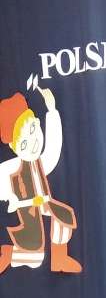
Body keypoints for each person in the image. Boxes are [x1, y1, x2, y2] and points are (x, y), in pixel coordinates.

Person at [0, 88, 82, 274]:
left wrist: (52, 110)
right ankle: (9, 254)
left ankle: (59, 257)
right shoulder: (11, 169)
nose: (32, 141)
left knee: (63, 217)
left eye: (32, 130)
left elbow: (52, 149)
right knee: (35, 257)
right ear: (13, 147)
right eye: (24, 143)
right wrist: (14, 200)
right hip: (28, 210)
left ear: (37, 123)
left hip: (43, 202)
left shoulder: (40, 161)